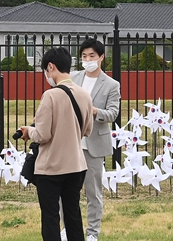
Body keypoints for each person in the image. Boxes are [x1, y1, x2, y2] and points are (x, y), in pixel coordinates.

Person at [18, 47, 94, 241]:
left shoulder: (50, 96)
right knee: (73, 214)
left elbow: (43, 135)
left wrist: (29, 131)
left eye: (45, 70)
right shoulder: (84, 94)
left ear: (50, 67)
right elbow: (87, 130)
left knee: (51, 217)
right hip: (76, 165)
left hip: (51, 167)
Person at [65, 38, 121, 241]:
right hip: (71, 142)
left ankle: (92, 233)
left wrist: (94, 110)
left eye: (92, 56)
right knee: (68, 190)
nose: (87, 60)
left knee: (93, 192)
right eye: (84, 56)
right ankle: (67, 230)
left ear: (101, 58)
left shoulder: (111, 85)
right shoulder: (72, 78)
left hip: (94, 144)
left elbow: (113, 113)